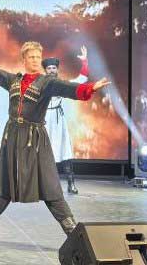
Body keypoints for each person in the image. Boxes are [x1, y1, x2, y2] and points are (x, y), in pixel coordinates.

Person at [0, 21, 112, 241]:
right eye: (31, 57)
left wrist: (89, 88)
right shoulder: (13, 80)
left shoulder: (46, 82)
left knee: (50, 185)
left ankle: (74, 233)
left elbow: (67, 87)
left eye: (38, 57)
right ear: (24, 59)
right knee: (3, 185)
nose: (35, 60)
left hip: (35, 140)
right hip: (12, 138)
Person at [42, 48, 90, 195]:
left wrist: (84, 61)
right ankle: (43, 186)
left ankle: (71, 183)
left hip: (58, 122)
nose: (51, 70)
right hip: (43, 120)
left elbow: (81, 80)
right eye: (49, 68)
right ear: (45, 70)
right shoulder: (39, 84)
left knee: (64, 150)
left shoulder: (62, 84)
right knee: (43, 152)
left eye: (53, 68)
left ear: (57, 70)